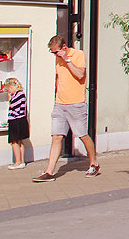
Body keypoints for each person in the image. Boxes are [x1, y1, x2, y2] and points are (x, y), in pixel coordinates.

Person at [32, 35, 100, 182]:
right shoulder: (57, 59)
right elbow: (60, 79)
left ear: (63, 48)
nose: (55, 55)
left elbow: (80, 75)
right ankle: (49, 172)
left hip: (76, 103)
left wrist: (67, 60)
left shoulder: (78, 54)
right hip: (59, 104)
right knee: (56, 137)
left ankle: (94, 163)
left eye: (56, 52)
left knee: (82, 135)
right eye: (53, 53)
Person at [4, 78, 28, 169]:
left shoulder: (19, 95)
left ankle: (17, 162)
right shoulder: (21, 94)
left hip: (16, 120)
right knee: (19, 141)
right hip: (20, 120)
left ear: (12, 86)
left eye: (9, 89)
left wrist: (10, 99)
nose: (8, 91)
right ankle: (22, 161)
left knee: (14, 141)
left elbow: (14, 107)